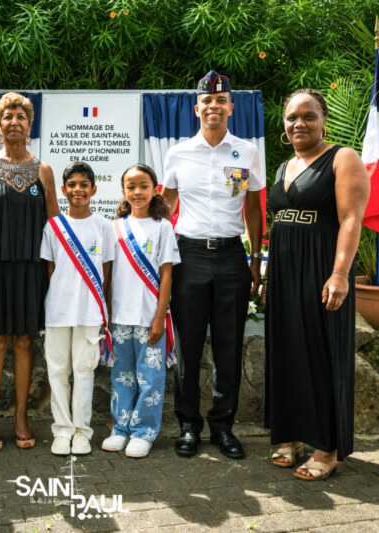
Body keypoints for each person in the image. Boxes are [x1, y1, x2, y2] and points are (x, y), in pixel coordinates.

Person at [264, 89, 369, 480]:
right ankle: (290, 436)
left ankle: (328, 447)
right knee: (288, 351)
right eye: (292, 117)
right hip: (285, 271)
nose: (299, 124)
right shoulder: (282, 167)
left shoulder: (343, 158)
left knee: (323, 355)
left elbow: (351, 219)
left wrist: (340, 273)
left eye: (308, 116)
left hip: (322, 268)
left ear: (325, 119)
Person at [161, 70, 264, 459]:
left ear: (230, 107)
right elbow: (167, 204)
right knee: (188, 347)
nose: (213, 107)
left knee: (227, 345)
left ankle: (223, 427)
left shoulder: (247, 152)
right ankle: (188, 426)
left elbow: (253, 205)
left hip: (231, 255)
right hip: (189, 255)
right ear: (197, 108)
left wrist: (255, 258)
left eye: (221, 101)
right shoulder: (178, 153)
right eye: (207, 101)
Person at [0, 92, 59, 452]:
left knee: (24, 341)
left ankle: (21, 416)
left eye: (21, 116)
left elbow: (53, 224)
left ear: (30, 125)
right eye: (8, 117)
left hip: (31, 269)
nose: (15, 122)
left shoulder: (44, 170)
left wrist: (55, 273)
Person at [102, 164, 180, 459]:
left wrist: (160, 317)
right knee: (122, 377)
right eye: (131, 186)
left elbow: (167, 274)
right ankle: (120, 428)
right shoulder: (115, 227)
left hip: (150, 318)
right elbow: (109, 274)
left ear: (155, 188)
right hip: (120, 317)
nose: (137, 192)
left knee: (150, 378)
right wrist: (107, 313)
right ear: (123, 191)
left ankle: (144, 431)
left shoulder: (163, 227)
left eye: (143, 185)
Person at [40, 162, 115, 456]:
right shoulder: (53, 226)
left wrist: (100, 307)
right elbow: (50, 270)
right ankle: (62, 431)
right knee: (57, 371)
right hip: (58, 310)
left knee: (84, 371)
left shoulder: (104, 226)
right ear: (63, 190)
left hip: (89, 311)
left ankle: (82, 431)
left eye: (84, 184)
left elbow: (107, 272)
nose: (78, 190)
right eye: (72, 185)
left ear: (94, 190)